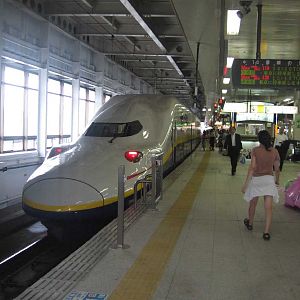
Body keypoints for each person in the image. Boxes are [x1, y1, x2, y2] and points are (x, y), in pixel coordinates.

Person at [242, 130, 280, 241]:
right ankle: (266, 232)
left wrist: (245, 184)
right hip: (269, 180)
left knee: (252, 204)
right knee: (268, 208)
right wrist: (277, 181)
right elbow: (277, 169)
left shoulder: (255, 150)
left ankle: (250, 223)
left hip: (257, 180)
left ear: (259, 139)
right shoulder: (275, 151)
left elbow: (252, 168)